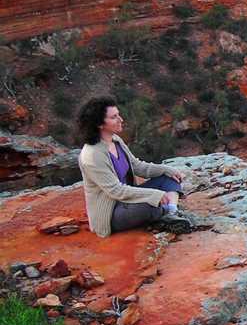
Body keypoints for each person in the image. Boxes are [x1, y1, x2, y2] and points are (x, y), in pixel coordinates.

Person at [76, 96, 193, 237]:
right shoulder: (92, 155)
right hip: (113, 213)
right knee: (150, 204)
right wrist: (153, 195)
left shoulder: (116, 140)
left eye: (118, 115)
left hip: (130, 198)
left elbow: (138, 166)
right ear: (100, 124)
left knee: (169, 179)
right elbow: (116, 191)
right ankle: (165, 213)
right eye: (114, 117)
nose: (121, 119)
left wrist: (166, 170)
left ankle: (171, 213)